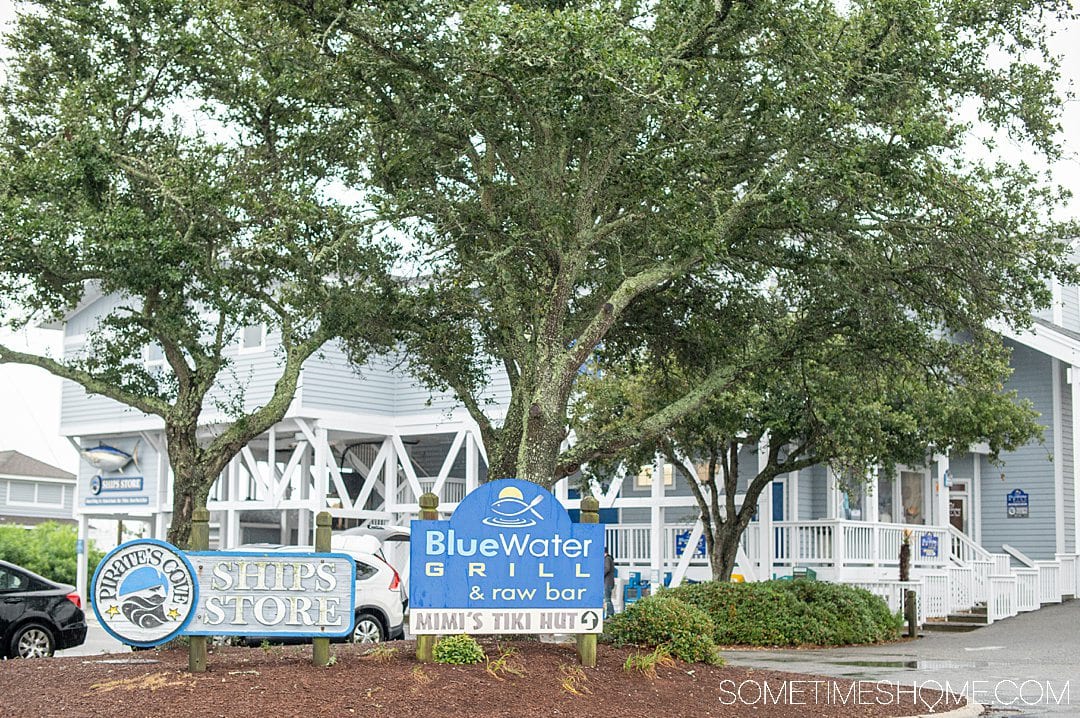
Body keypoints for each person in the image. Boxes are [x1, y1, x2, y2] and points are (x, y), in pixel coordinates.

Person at [603, 547, 615, 617]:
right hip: (609, 582)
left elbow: (607, 568)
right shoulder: (610, 558)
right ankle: (610, 613)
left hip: (607, 582)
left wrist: (600, 575)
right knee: (607, 598)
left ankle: (610, 613)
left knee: (607, 599)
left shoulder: (607, 559)